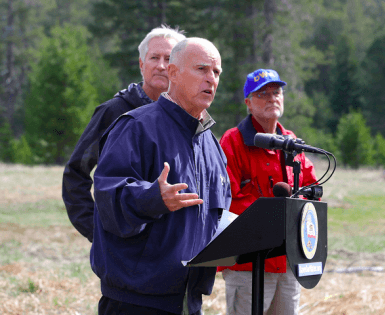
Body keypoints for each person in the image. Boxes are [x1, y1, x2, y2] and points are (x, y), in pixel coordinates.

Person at [91, 37, 231, 315]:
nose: (211, 79)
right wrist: (152, 198)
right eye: (202, 69)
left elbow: (218, 218)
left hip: (188, 301)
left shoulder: (213, 146)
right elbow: (108, 197)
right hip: (136, 302)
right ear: (174, 73)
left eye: (216, 72)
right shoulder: (136, 127)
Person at [62, 25, 186, 242]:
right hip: (126, 254)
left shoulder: (189, 118)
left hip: (175, 250)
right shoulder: (114, 112)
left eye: (168, 59)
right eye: (154, 57)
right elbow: (75, 174)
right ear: (141, 64)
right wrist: (97, 231)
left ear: (179, 68)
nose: (161, 66)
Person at [218, 69, 318, 315]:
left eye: (276, 92)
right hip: (247, 262)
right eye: (262, 94)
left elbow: (310, 186)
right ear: (248, 103)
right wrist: (274, 216)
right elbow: (225, 198)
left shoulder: (291, 141)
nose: (272, 98)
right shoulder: (233, 141)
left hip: (287, 260)